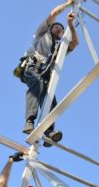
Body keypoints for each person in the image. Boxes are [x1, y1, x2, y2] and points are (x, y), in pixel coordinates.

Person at [21, 1, 79, 146]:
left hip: (46, 76)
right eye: (57, 27)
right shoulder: (42, 34)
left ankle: (48, 131)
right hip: (31, 68)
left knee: (51, 100)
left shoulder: (59, 49)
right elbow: (54, 14)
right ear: (50, 28)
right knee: (37, 83)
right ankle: (29, 121)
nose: (59, 29)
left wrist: (70, 25)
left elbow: (75, 44)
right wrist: (69, 3)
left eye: (61, 29)